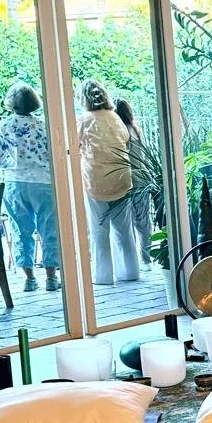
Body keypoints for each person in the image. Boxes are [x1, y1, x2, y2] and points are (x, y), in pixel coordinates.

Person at [0, 82, 60, 292]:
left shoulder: (4, 126)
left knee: (21, 230)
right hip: (43, 182)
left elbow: (1, 157)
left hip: (15, 183)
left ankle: (29, 278)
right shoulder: (43, 125)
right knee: (48, 228)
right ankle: (51, 277)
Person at [77, 80, 139, 285]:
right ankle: (130, 271)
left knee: (99, 229)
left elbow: (75, 146)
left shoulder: (84, 120)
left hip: (95, 180)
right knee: (124, 229)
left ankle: (103, 276)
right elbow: (125, 140)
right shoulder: (115, 118)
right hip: (121, 177)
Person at [113, 98, 154, 268]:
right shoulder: (137, 130)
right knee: (143, 222)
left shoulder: (119, 133)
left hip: (125, 179)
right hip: (142, 178)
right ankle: (146, 258)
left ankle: (130, 263)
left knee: (126, 223)